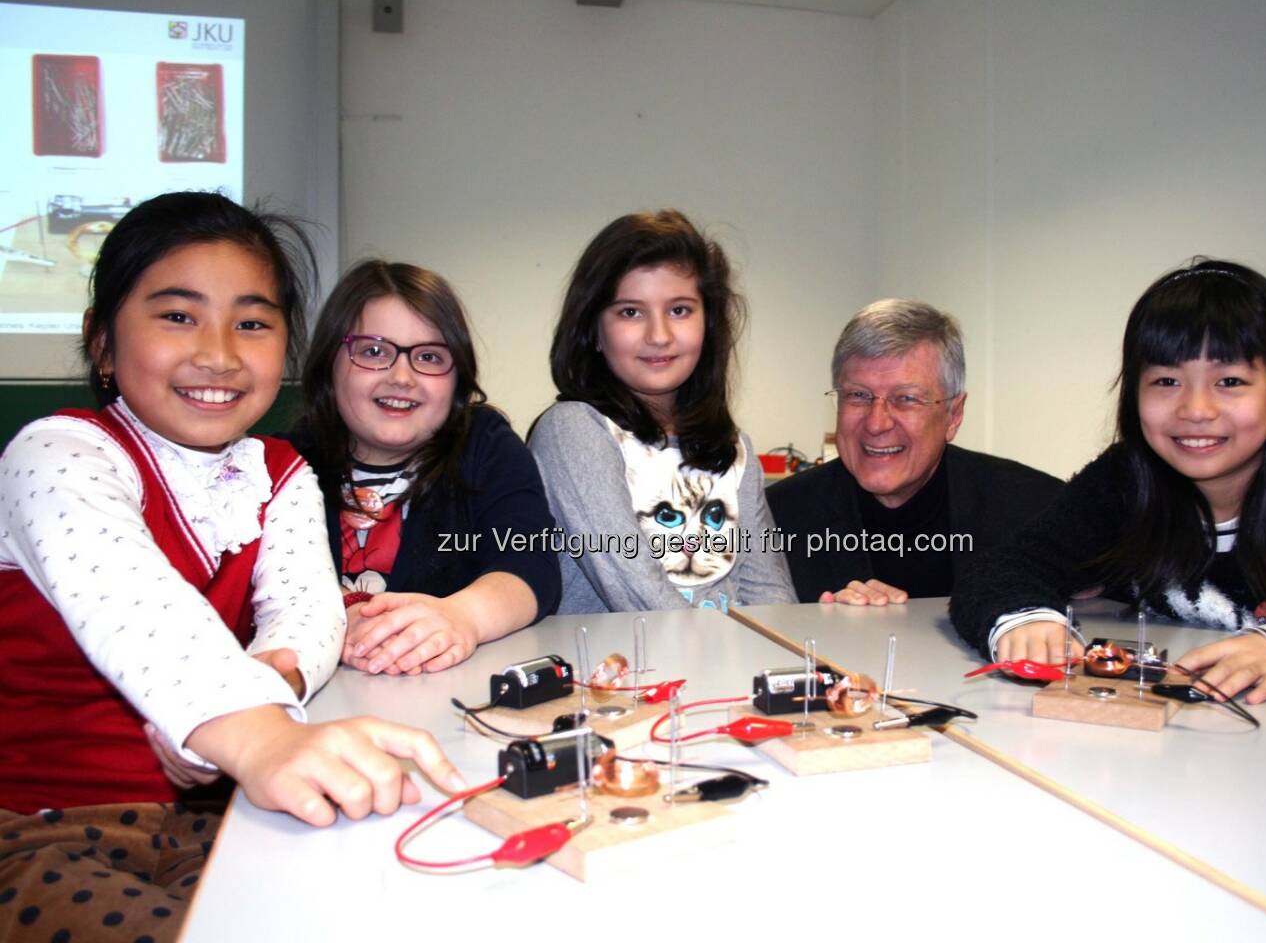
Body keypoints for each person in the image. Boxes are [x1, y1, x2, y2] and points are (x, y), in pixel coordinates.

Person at [0, 193, 464, 940]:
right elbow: (138, 610)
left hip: (228, 818)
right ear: (103, 344)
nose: (218, 353)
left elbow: (309, 616)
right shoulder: (54, 453)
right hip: (40, 829)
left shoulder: (278, 472)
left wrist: (255, 707)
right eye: (177, 316)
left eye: (252, 323)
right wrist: (256, 734)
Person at [950, 259, 1266, 702]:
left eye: (1230, 381)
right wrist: (1025, 618)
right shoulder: (1126, 477)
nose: (1195, 410)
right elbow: (1002, 566)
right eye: (1166, 381)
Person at [289, 261, 560, 676]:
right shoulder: (283, 462)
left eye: (430, 357)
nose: (403, 377)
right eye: (374, 351)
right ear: (330, 362)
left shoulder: (484, 446)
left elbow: (529, 563)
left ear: (458, 379)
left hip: (448, 689)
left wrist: (463, 617)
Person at [529, 209, 795, 613]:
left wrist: (779, 669)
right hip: (622, 672)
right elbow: (637, 593)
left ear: (709, 325)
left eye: (680, 310)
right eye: (630, 312)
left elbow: (769, 591)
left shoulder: (733, 447)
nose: (659, 335)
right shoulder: (573, 430)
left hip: (730, 667)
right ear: (593, 332)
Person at [768, 298, 1062, 604]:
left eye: (906, 399)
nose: (877, 423)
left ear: (954, 415)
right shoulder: (776, 517)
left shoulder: (1037, 509)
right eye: (858, 395)